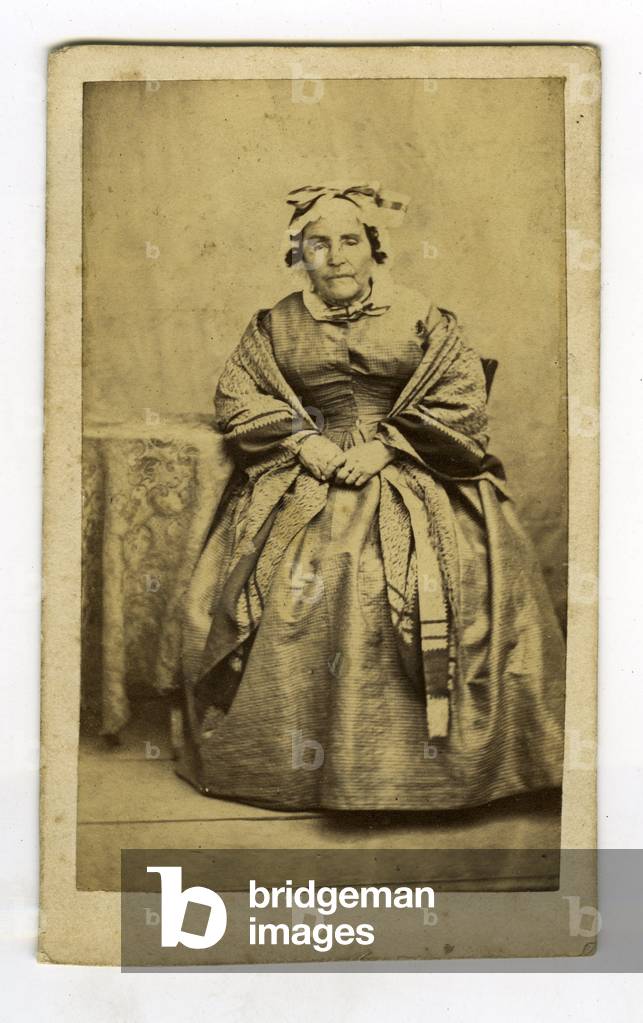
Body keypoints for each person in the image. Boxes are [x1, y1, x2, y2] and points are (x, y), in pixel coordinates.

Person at [176, 183, 565, 812]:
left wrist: (386, 446)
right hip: (311, 465)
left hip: (415, 465)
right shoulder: (274, 323)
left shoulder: (424, 316)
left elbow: (462, 399)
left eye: (350, 241)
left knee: (419, 574)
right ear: (297, 254)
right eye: (317, 243)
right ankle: (301, 766)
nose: (336, 257)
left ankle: (435, 772)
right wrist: (306, 444)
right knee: (306, 576)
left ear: (374, 248)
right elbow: (240, 397)